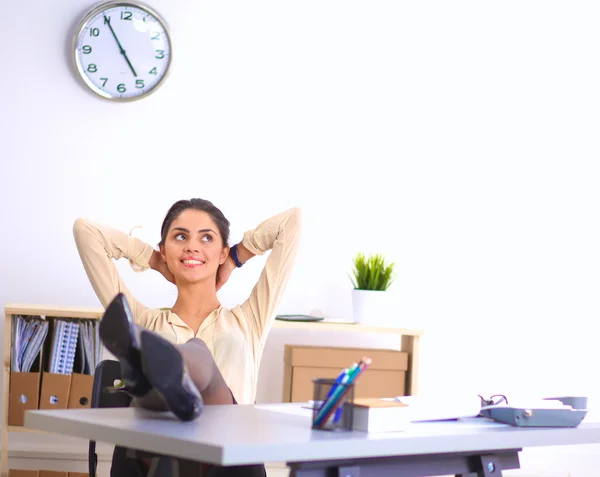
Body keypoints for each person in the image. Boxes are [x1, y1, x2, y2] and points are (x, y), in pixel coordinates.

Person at [73, 199, 301, 476]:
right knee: (154, 426)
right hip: (157, 455)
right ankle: (165, 383)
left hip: (229, 460)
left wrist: (235, 258)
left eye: (206, 238)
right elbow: (85, 231)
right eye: (180, 237)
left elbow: (292, 222)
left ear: (221, 252)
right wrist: (153, 260)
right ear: (165, 249)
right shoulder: (143, 321)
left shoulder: (250, 319)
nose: (192, 246)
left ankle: (169, 368)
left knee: (196, 351)